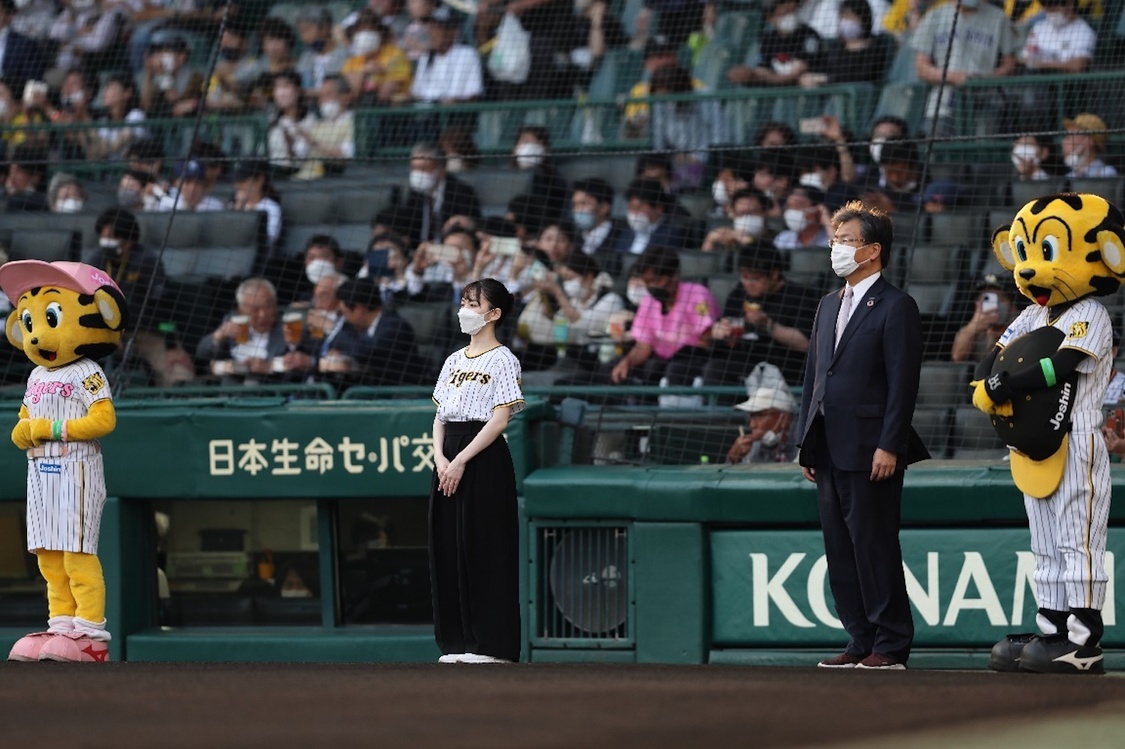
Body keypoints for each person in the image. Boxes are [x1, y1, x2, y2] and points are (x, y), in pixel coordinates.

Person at [797, 200, 929, 670]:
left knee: (874, 547)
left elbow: (903, 382)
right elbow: (814, 376)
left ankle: (891, 644)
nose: (836, 248)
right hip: (828, 445)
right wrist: (804, 442)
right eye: (835, 240)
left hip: (872, 447)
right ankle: (859, 640)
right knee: (840, 549)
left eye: (846, 241)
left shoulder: (898, 305)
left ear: (873, 250)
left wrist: (890, 443)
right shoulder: (828, 304)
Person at [430, 278, 524, 664]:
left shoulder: (504, 359)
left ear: (494, 313)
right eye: (463, 302)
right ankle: (457, 642)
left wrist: (463, 459)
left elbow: (500, 419)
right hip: (448, 455)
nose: (464, 310)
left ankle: (492, 646)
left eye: (473, 303)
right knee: (447, 547)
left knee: (486, 547)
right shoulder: (453, 360)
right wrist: (440, 458)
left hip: (481, 456)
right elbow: (439, 416)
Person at [704, 243, 820, 385]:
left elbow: (805, 344)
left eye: (755, 279)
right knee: (714, 368)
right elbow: (727, 330)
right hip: (743, 362)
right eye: (744, 277)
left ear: (774, 274)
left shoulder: (799, 296)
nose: (748, 284)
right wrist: (723, 332)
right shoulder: (739, 293)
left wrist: (768, 325)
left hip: (784, 368)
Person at [610, 245, 718, 386]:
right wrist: (627, 362)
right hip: (660, 362)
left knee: (674, 370)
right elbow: (643, 346)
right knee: (614, 367)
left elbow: (706, 340)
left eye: (657, 280)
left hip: (693, 359)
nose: (652, 286)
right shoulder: (648, 302)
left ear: (674, 275)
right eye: (648, 282)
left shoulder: (698, 295)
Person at [289, 277, 429, 386]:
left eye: (345, 313)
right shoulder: (355, 328)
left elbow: (365, 351)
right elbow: (343, 345)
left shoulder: (394, 326)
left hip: (399, 396)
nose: (345, 319)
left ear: (359, 309)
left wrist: (331, 328)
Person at [911, 0, 1016, 136]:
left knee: (983, 153)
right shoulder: (935, 16)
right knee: (939, 151)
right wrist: (954, 77)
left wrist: (985, 79)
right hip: (942, 103)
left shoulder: (998, 18)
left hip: (985, 101)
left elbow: (1009, 64)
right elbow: (921, 68)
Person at [196, 277, 289, 383]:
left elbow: (297, 362)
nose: (262, 315)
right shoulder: (233, 321)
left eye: (268, 307)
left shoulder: (287, 325)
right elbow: (202, 354)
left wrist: (270, 366)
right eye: (255, 310)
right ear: (241, 310)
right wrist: (219, 335)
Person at [727, 0, 825, 88]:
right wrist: (751, 75)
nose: (789, 8)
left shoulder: (809, 36)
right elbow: (763, 69)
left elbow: (795, 75)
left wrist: (765, 77)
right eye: (783, 13)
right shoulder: (769, 40)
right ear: (770, 18)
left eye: (791, 11)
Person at [400, 142, 482, 245]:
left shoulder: (462, 192)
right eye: (414, 168)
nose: (417, 174)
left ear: (441, 169)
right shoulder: (414, 193)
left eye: (423, 169)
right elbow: (408, 227)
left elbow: (474, 225)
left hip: (449, 251)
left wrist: (464, 222)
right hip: (419, 252)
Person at [950, 274, 1020, 363]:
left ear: (1011, 305)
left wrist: (1002, 337)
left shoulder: (1022, 323)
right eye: (986, 299)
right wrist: (973, 327)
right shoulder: (973, 327)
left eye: (1001, 299)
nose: (995, 306)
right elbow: (957, 356)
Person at [727, 386, 799, 465]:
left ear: (784, 418)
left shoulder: (803, 437)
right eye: (751, 416)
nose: (752, 425)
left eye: (759, 416)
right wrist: (733, 458)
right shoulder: (756, 444)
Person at [615, 178, 686, 255]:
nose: (634, 213)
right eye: (631, 208)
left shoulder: (670, 235)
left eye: (639, 208)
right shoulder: (626, 233)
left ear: (659, 208)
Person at [571, 177, 625, 275]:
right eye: (575, 204)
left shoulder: (622, 239)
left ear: (604, 208)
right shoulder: (575, 241)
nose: (577, 210)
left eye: (583, 203)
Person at [229, 159, 283, 254]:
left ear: (260, 179)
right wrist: (238, 207)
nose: (238, 185)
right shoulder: (234, 204)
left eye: (243, 180)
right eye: (237, 181)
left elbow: (268, 241)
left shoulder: (271, 208)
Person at [1061, 112, 1117, 179]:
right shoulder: (1070, 177)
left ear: (1089, 141)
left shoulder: (1106, 174)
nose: (1063, 142)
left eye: (1069, 137)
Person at [775, 185, 831, 250]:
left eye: (797, 205)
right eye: (789, 206)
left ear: (817, 209)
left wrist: (827, 221)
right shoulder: (782, 239)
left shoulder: (829, 238)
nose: (792, 211)